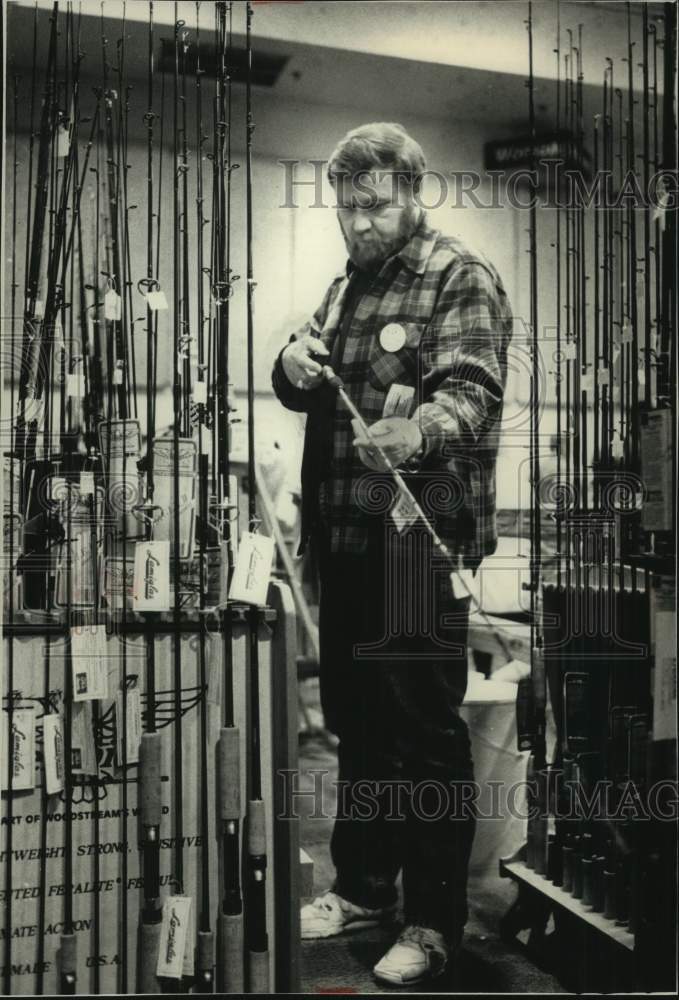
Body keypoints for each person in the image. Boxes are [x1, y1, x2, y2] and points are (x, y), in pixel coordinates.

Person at [271, 122, 513, 986]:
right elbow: (300, 371)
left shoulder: (458, 276)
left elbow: (473, 393)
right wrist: (291, 366)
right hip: (346, 543)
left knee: (423, 738)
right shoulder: (349, 283)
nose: (358, 223)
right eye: (345, 207)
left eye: (374, 207)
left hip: (418, 548)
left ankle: (433, 919)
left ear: (414, 194)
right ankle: (365, 887)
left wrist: (418, 431)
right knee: (358, 727)